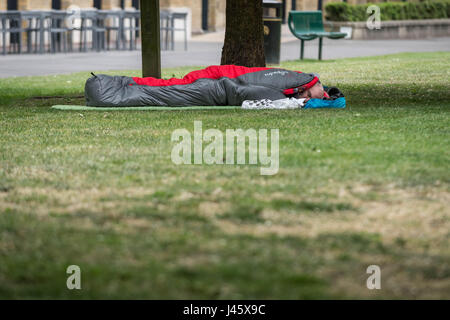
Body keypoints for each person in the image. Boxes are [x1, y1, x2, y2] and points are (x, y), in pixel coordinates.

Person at [85, 65, 343, 107]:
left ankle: (117, 84)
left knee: (167, 88)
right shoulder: (294, 80)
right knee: (166, 90)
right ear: (314, 85)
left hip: (216, 79)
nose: (324, 95)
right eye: (323, 92)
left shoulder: (295, 85)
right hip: (215, 81)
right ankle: (108, 86)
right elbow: (242, 90)